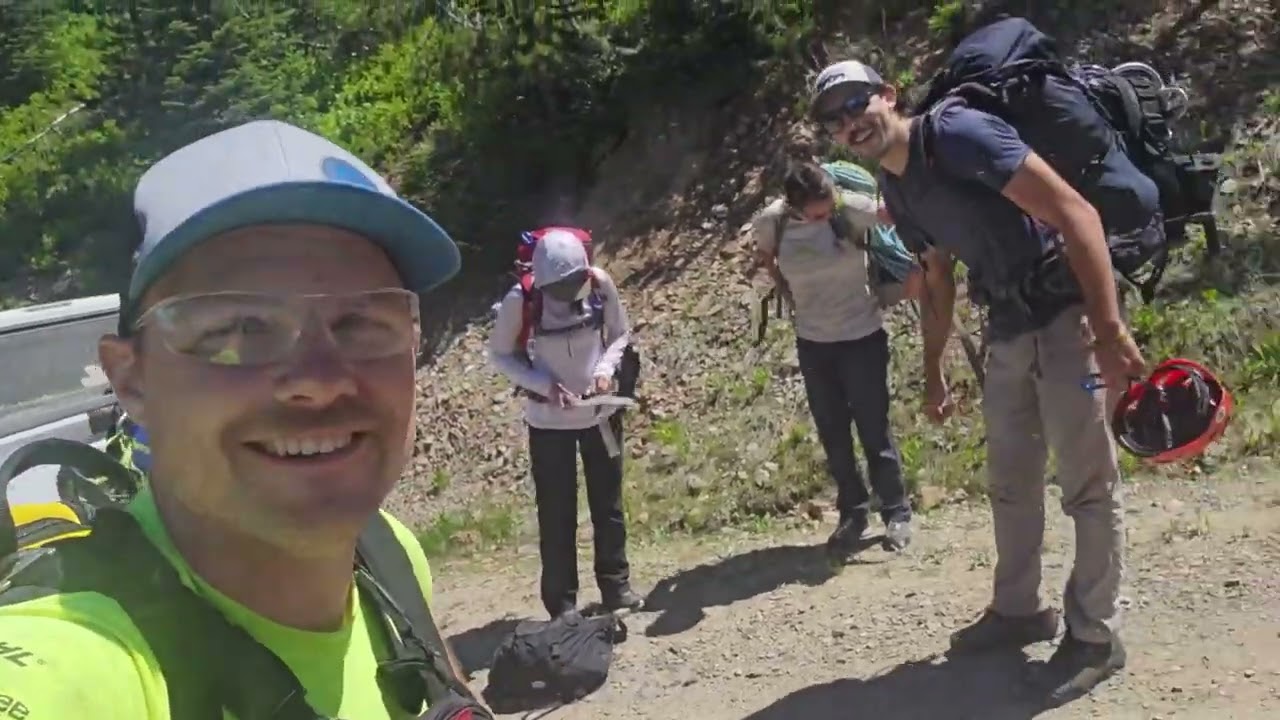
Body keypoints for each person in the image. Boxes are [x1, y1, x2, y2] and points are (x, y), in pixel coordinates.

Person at [0, 119, 474, 718]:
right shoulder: (79, 663)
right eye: (241, 330)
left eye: (362, 324)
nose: (319, 380)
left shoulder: (389, 557)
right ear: (131, 381)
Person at [809, 59, 1152, 704]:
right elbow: (937, 279)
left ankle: (1096, 635)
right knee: (1010, 480)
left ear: (888, 94)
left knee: (1087, 483)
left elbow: (1076, 213)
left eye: (856, 103)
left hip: (1064, 313)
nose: (849, 122)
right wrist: (934, 368)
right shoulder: (898, 188)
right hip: (1008, 324)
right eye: (833, 118)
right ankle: (1019, 609)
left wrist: (1108, 334)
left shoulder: (960, 134)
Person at [747, 160, 913, 558]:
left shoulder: (849, 208)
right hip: (814, 343)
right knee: (833, 433)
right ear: (794, 207)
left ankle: (897, 511)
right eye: (818, 213)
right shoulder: (773, 223)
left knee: (874, 427)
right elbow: (767, 258)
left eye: (829, 206)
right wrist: (791, 297)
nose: (826, 215)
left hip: (863, 336)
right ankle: (853, 513)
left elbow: (902, 214)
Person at [487, 229, 643, 619]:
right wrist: (544, 386)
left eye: (576, 281)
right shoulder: (520, 301)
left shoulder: (600, 285)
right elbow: (502, 354)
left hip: (599, 415)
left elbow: (620, 334)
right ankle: (562, 604)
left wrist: (605, 371)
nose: (571, 290)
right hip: (548, 422)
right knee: (556, 513)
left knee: (607, 505)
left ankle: (616, 586)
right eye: (561, 286)